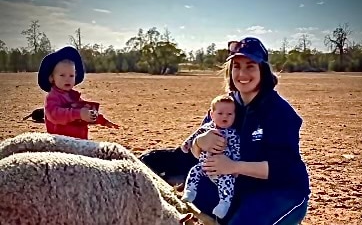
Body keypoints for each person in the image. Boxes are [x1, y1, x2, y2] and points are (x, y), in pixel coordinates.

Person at [140, 36, 310, 225]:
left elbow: (283, 168)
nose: (242, 73)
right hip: (237, 184)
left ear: (263, 70)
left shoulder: (278, 111)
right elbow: (194, 154)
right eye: (236, 66)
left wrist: (233, 166)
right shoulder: (226, 105)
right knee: (155, 170)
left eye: (250, 66)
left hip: (280, 190)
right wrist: (198, 143)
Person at [37, 46, 119, 140]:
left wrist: (102, 120)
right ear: (51, 78)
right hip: (61, 144)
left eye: (71, 75)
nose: (67, 79)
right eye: (62, 75)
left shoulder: (74, 96)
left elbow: (86, 113)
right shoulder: (52, 97)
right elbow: (54, 115)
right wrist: (78, 114)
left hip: (79, 143)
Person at [180, 94, 240, 219]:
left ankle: (224, 204)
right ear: (212, 115)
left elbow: (236, 150)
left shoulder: (233, 134)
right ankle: (190, 192)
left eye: (230, 114)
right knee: (194, 171)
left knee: (227, 183)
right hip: (204, 165)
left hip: (224, 170)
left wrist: (235, 167)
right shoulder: (206, 129)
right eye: (220, 113)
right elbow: (194, 137)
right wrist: (188, 144)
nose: (225, 116)